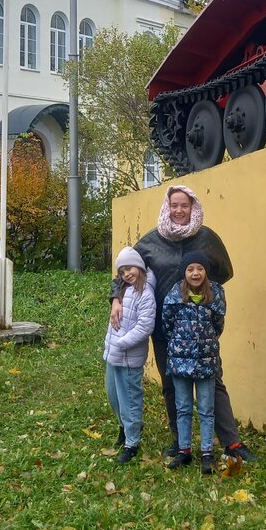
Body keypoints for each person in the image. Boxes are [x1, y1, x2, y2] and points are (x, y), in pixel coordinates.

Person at [110, 183, 255, 462]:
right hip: (164, 329)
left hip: (200, 331)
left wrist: (202, 299)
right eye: (174, 205)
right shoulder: (150, 242)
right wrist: (116, 298)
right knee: (171, 384)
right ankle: (181, 442)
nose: (179, 210)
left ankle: (232, 443)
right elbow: (125, 274)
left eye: (184, 205)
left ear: (192, 207)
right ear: (167, 207)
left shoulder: (207, 239)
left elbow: (224, 272)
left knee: (213, 382)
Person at [162, 252, 226, 474]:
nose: (195, 273)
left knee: (206, 409)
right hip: (180, 362)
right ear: (184, 273)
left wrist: (204, 344)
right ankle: (184, 451)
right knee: (183, 407)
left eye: (200, 268)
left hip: (206, 361)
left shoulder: (215, 295)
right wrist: (181, 345)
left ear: (206, 271)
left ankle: (207, 453)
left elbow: (218, 325)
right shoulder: (174, 295)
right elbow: (167, 324)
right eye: (190, 269)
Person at [103, 247, 156, 464]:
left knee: (130, 401)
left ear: (140, 267)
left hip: (128, 357)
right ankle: (124, 427)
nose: (127, 274)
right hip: (113, 355)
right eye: (122, 271)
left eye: (130, 268)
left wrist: (121, 343)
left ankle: (132, 443)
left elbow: (145, 326)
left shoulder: (146, 293)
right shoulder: (123, 290)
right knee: (113, 396)